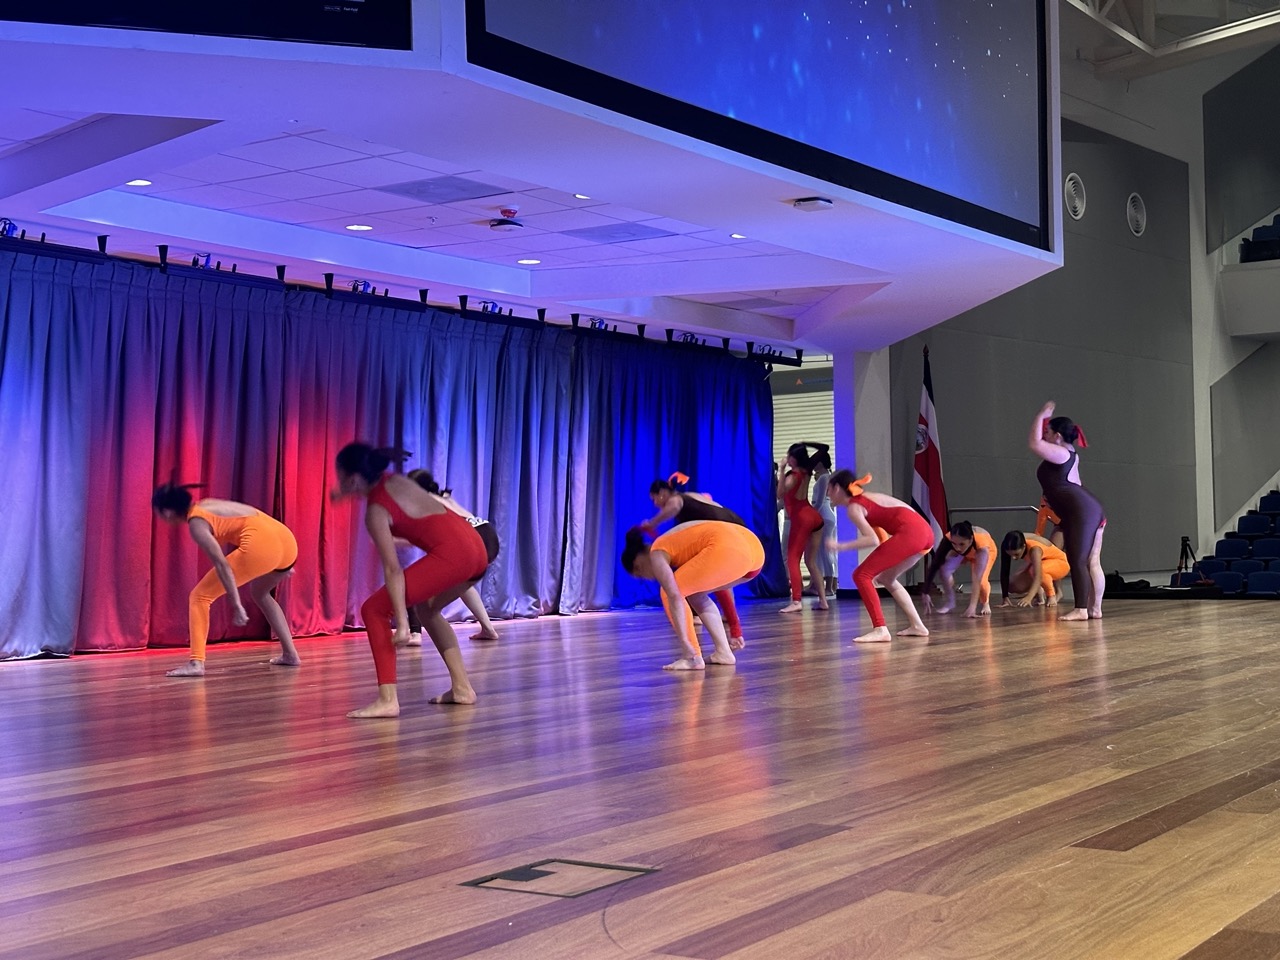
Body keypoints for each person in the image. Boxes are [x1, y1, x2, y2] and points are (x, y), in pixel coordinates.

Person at [332, 443, 489, 718]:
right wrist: (344, 492)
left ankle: (388, 700)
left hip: (455, 554)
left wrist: (403, 623)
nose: (338, 482)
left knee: (373, 609)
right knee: (428, 609)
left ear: (354, 478)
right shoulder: (394, 481)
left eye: (340, 476)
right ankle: (462, 689)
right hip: (477, 547)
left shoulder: (376, 511)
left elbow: (392, 569)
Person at [152, 483, 299, 677]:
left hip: (263, 548)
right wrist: (279, 561)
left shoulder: (196, 523)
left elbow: (222, 565)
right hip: (287, 543)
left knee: (199, 597)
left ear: (168, 512)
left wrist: (236, 604)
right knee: (260, 593)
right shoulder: (206, 504)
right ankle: (290, 654)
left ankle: (196, 663)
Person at [621, 520, 764, 670]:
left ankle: (691, 657)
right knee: (695, 593)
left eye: (640, 573)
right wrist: (735, 628)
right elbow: (720, 588)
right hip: (754, 553)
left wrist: (686, 644)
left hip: (730, 547)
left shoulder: (656, 552)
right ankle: (724, 652)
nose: (648, 578)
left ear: (638, 562)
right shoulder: (682, 545)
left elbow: (674, 596)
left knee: (669, 591)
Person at [826, 470, 933, 643]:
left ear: (837, 488)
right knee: (887, 578)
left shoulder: (854, 507)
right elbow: (881, 534)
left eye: (829, 489)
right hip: (925, 533)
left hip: (912, 533)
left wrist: (840, 546)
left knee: (861, 575)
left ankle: (880, 629)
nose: (827, 494)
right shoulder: (865, 499)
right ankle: (918, 626)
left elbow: (872, 539)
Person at [644, 472, 747, 649]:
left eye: (654, 499)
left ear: (662, 493)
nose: (655, 504)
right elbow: (708, 497)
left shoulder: (676, 499)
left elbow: (674, 507)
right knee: (719, 580)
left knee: (715, 580)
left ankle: (733, 629)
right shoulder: (691, 496)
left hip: (726, 532)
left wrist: (652, 523)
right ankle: (727, 622)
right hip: (736, 527)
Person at [1030, 402, 1106, 620]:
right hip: (1083, 509)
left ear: (1057, 436)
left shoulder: (1062, 453)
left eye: (1047, 431)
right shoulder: (1069, 454)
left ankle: (1081, 609)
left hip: (1082, 511)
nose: (1044, 434)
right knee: (1091, 561)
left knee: (1078, 560)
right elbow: (1075, 483)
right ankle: (1094, 609)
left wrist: (1041, 414)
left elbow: (1034, 443)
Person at [406, 469, 500, 642]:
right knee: (463, 583)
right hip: (487, 533)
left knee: (416, 583)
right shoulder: (442, 496)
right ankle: (488, 629)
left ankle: (415, 633)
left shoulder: (426, 502)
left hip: (473, 539)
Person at [777, 442, 831, 614]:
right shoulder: (807, 469)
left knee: (793, 559)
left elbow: (779, 494)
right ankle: (823, 601)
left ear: (794, 458)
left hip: (801, 519)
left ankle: (796, 601)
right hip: (814, 517)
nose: (787, 458)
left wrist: (781, 469)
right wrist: (806, 444)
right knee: (811, 562)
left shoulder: (793, 475)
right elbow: (824, 448)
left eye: (789, 455)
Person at [920, 520, 996, 617]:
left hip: (985, 551)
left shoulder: (982, 545)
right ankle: (950, 602)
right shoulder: (948, 540)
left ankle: (985, 603)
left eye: (961, 544)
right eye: (954, 543)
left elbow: (977, 578)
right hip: (965, 553)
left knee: (981, 581)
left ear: (970, 540)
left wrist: (972, 607)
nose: (957, 548)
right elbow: (935, 564)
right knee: (944, 570)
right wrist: (925, 592)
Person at [999, 530, 1070, 608]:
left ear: (1024, 546)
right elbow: (1004, 571)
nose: (1013, 558)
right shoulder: (1007, 544)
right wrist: (1005, 597)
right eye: (1010, 555)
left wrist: (1029, 597)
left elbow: (1038, 576)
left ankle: (1051, 595)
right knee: (1012, 586)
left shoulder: (1035, 550)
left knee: (1036, 570)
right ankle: (1039, 593)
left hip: (1061, 564)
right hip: (1041, 563)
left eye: (1016, 554)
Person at [810, 450, 840, 598]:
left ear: (820, 463)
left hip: (823, 515)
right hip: (828, 514)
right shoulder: (827, 476)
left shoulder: (823, 478)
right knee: (829, 552)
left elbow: (820, 501)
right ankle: (832, 585)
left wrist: (810, 514)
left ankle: (829, 586)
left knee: (825, 551)